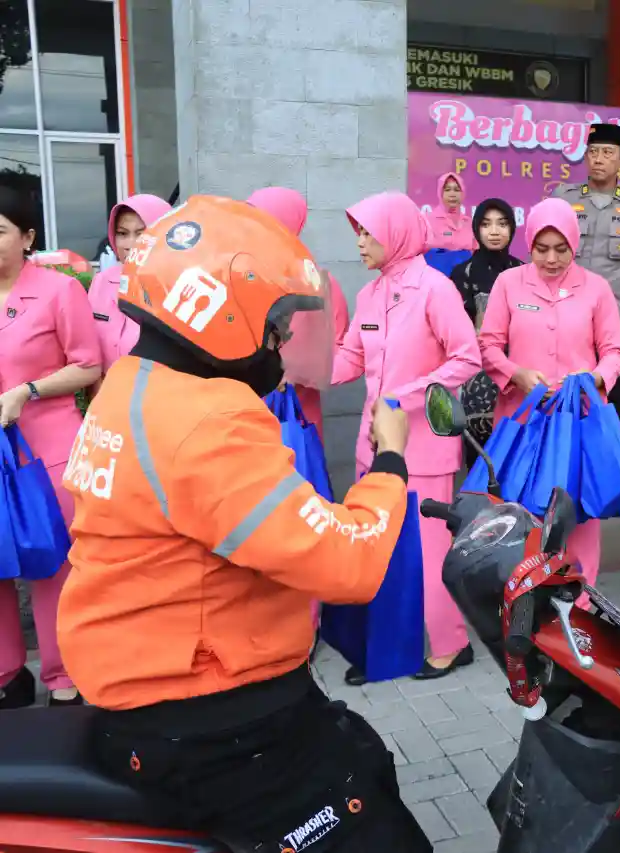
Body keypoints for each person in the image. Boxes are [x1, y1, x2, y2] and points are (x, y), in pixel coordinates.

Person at [56, 194, 431, 851]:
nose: (280, 342)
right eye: (275, 324)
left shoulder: (132, 382)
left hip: (150, 684)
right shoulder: (208, 418)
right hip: (211, 714)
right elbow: (347, 564)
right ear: (219, 310)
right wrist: (392, 462)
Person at [333, 191, 482, 686]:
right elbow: (352, 356)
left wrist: (403, 397)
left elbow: (467, 358)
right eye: (357, 232)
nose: (359, 242)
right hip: (374, 447)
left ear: (395, 233)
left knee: (428, 554)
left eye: (367, 232)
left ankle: (451, 644)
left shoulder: (435, 289)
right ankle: (383, 650)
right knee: (376, 550)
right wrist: (301, 370)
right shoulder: (369, 295)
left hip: (424, 448)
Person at [479, 197, 620, 593]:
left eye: (561, 249)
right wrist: (516, 374)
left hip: (578, 421)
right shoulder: (509, 284)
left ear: (574, 245)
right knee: (524, 511)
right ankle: (527, 598)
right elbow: (489, 345)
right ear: (529, 244)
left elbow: (615, 351)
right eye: (541, 249)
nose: (551, 259)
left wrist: (595, 378)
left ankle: (581, 601)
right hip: (523, 420)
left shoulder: (596, 288)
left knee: (578, 513)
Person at [0, 186, 102, 709]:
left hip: (47, 448)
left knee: (53, 564)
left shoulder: (59, 291)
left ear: (27, 237)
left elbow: (88, 365)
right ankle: (6, 674)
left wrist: (28, 390)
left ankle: (63, 675)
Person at [550, 122, 620, 526]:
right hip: (567, 323)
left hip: (617, 326)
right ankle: (562, 492)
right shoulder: (563, 199)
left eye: (607, 152)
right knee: (566, 406)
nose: (598, 159)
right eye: (593, 151)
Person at [247, 186, 352, 437]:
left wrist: (297, 372)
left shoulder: (318, 285)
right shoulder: (242, 278)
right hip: (245, 417)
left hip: (295, 417)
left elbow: (341, 350)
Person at [451, 198, 522, 471]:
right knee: (480, 462)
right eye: (486, 224)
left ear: (512, 229)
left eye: (502, 224)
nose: (494, 231)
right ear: (476, 229)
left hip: (518, 375)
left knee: (517, 457)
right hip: (477, 379)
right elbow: (455, 329)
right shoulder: (462, 274)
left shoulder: (524, 271)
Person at [85, 194, 171, 375]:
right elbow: (90, 354)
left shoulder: (177, 288)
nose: (130, 244)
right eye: (122, 234)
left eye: (141, 234)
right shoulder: (102, 282)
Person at [425, 172, 479, 253]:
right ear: (440, 193)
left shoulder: (470, 224)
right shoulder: (428, 222)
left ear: (463, 193)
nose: (452, 194)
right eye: (447, 190)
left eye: (457, 190)